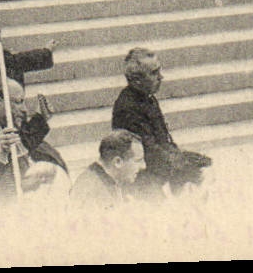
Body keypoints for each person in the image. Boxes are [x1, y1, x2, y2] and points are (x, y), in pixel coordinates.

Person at [110, 47, 210, 196]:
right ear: (137, 80)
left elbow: (163, 139)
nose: (161, 77)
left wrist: (180, 156)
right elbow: (148, 153)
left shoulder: (147, 98)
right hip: (141, 177)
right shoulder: (128, 108)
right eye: (154, 73)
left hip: (159, 167)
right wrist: (182, 161)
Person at [69, 129, 145, 210]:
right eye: (138, 161)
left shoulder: (105, 179)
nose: (143, 166)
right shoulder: (92, 192)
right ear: (117, 162)